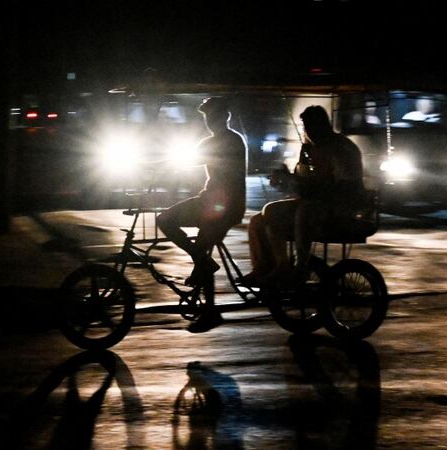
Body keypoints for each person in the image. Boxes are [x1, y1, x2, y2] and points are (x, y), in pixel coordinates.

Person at [244, 105, 365, 286]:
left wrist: (310, 188)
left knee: (304, 211)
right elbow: (302, 181)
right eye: (306, 127)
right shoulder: (308, 149)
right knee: (261, 218)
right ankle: (267, 267)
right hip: (312, 202)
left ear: (323, 126)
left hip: (340, 206)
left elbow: (344, 186)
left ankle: (301, 266)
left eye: (311, 127)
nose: (308, 132)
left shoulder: (341, 148)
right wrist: (285, 178)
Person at [156, 96, 247, 333]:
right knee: (165, 220)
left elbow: (190, 160)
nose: (208, 121)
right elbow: (185, 161)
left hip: (225, 207)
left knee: (202, 252)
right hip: (210, 202)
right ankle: (203, 262)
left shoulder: (231, 141)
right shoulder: (214, 141)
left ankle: (210, 311)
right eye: (207, 117)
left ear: (222, 117)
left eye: (211, 116)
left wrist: (160, 166)